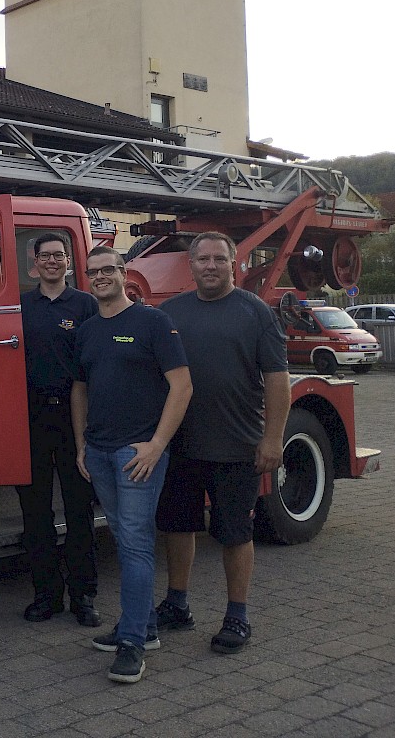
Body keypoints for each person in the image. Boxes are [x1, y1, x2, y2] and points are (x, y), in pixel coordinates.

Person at [155, 232, 289, 654]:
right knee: (178, 526)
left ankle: (237, 615)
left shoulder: (255, 312)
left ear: (234, 264)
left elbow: (277, 380)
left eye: (219, 259)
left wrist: (273, 439)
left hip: (236, 445)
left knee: (234, 533)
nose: (210, 266)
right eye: (202, 259)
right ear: (191, 265)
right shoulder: (170, 312)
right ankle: (177, 604)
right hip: (180, 445)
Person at [71, 246, 192, 684]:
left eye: (108, 270)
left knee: (136, 544)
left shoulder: (152, 322)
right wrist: (82, 444)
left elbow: (182, 386)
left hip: (136, 454)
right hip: (99, 453)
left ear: (124, 273)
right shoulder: (87, 330)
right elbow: (79, 389)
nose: (100, 277)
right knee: (125, 539)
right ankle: (145, 626)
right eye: (93, 272)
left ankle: (132, 644)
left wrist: (157, 445)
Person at [17, 233, 101, 625]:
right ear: (34, 263)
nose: (52, 261)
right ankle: (46, 595)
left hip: (74, 418)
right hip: (31, 418)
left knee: (79, 509)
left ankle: (83, 596)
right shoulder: (20, 306)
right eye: (45, 256)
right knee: (35, 512)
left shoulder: (86, 304)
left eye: (59, 255)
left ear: (68, 261)